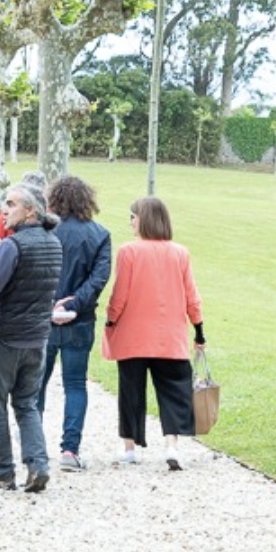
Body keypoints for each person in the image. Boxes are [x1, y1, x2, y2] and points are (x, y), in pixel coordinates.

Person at [106, 195, 205, 470]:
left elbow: (120, 294)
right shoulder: (180, 253)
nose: (130, 222)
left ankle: (129, 447)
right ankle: (172, 446)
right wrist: (199, 330)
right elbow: (192, 296)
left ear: (143, 220)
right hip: (170, 337)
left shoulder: (128, 251)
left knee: (131, 391)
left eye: (132, 217)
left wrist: (111, 319)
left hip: (133, 336)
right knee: (173, 390)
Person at [0, 183, 63, 493]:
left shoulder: (13, 245)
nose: (4, 209)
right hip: (37, 336)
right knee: (26, 403)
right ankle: (38, 464)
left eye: (11, 204)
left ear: (30, 211)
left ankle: (2, 471)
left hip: (6, 337)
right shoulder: (53, 243)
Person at [39, 175, 111, 471]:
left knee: (36, 384)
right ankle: (70, 449)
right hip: (79, 320)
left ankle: (33, 447)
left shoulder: (43, 231)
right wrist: (73, 303)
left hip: (43, 319)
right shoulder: (100, 234)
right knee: (75, 384)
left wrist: (51, 303)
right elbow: (98, 279)